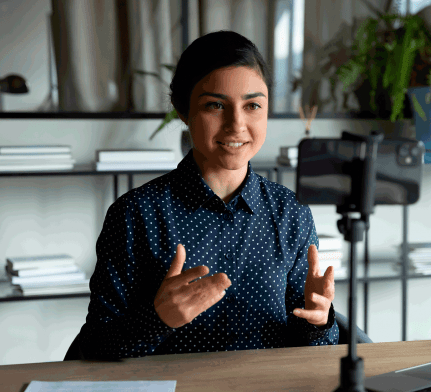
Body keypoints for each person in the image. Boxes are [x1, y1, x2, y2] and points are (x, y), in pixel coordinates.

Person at [76, 30, 339, 360]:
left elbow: (316, 351)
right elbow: (96, 347)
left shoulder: (291, 212)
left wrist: (318, 323)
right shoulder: (135, 215)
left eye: (253, 105)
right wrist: (158, 320)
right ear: (182, 109)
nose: (236, 125)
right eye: (215, 105)